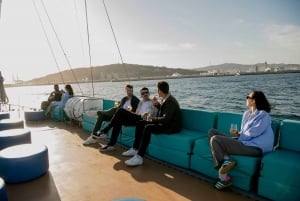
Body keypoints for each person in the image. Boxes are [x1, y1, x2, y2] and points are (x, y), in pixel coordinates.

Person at [208, 90, 274, 190]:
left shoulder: (263, 116)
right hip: (246, 142)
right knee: (212, 132)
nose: (246, 98)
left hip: (255, 147)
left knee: (215, 139)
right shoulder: (247, 114)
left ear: (254, 100)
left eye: (248, 97)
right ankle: (226, 159)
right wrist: (238, 134)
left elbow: (253, 133)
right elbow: (245, 133)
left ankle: (223, 178)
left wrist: (239, 136)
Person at [124, 81, 182, 166]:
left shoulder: (171, 101)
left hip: (171, 127)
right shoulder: (166, 98)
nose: (157, 91)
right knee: (141, 123)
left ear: (160, 91)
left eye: (157, 89)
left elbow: (166, 119)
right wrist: (157, 105)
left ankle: (139, 157)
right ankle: (135, 148)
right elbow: (165, 112)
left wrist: (152, 119)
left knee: (148, 128)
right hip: (166, 123)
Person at [96, 87, 158, 151]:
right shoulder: (140, 103)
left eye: (146, 92)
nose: (145, 94)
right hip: (137, 118)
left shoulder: (152, 102)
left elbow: (154, 114)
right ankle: (111, 144)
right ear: (141, 95)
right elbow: (136, 113)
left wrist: (149, 113)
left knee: (120, 110)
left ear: (149, 93)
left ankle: (105, 131)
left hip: (143, 120)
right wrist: (130, 113)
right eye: (143, 93)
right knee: (118, 120)